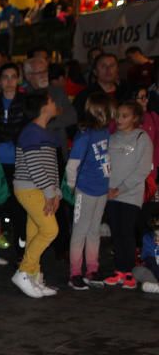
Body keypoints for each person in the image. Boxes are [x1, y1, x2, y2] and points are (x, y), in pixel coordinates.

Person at [11, 91, 61, 298]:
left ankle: (33, 274)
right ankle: (23, 271)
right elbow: (34, 167)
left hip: (40, 189)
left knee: (35, 231)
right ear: (43, 107)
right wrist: (50, 192)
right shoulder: (31, 132)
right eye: (52, 99)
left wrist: (55, 192)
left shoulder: (45, 133)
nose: (55, 102)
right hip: (29, 188)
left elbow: (52, 167)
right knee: (50, 230)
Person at [103, 101, 154, 289]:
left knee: (126, 232)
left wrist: (121, 188)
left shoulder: (141, 138)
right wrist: (107, 188)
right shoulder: (112, 138)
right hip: (111, 194)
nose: (119, 119)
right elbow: (106, 165)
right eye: (118, 115)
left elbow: (142, 170)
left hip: (130, 194)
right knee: (116, 232)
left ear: (135, 118)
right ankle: (120, 271)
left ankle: (129, 271)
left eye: (124, 116)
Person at [66, 93, 113, 290]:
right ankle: (75, 272)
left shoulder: (104, 133)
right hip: (85, 190)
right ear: (101, 113)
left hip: (101, 190)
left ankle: (92, 268)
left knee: (94, 231)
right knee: (80, 231)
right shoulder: (84, 136)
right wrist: (73, 187)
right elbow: (72, 165)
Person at [0, 62, 27, 262]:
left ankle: (21, 251)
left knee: (20, 208)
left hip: (19, 162)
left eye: (13, 76)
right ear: (0, 81)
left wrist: (2, 131)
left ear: (19, 79)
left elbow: (25, 132)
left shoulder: (26, 103)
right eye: (5, 77)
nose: (9, 81)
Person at [74, 53, 126, 122]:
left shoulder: (125, 92)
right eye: (103, 66)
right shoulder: (85, 96)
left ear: (117, 69)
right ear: (95, 71)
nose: (108, 69)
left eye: (112, 65)